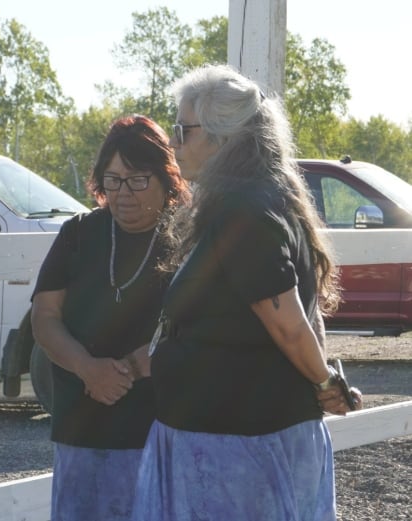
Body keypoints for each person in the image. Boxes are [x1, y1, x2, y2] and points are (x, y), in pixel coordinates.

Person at [131, 64, 362, 521]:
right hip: (230, 439)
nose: (173, 143)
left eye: (182, 130)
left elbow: (290, 324)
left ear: (222, 137)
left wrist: (325, 384)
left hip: (239, 450)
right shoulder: (257, 200)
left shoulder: (244, 211)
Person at [30, 115, 190, 520]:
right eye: (113, 180)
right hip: (82, 430)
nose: (124, 194)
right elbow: (45, 317)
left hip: (160, 428)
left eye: (138, 180)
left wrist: (134, 367)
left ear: (166, 178)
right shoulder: (78, 234)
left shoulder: (187, 238)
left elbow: (200, 325)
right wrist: (88, 369)